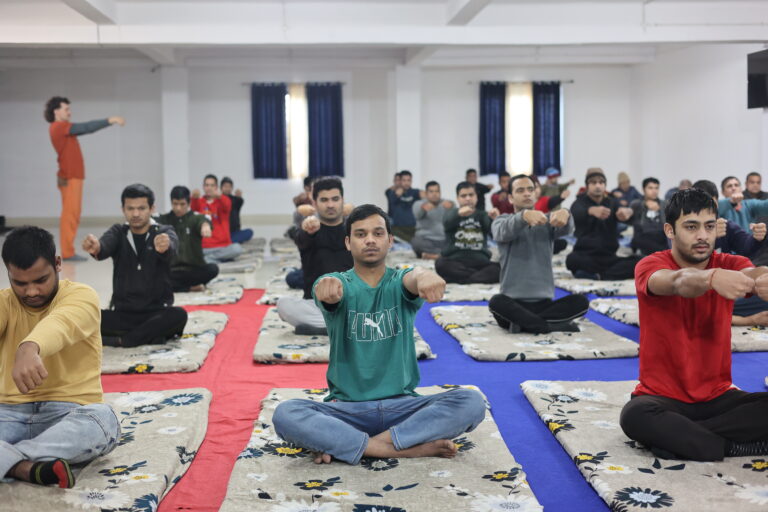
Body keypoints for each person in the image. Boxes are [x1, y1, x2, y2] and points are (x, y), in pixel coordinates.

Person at [272, 204, 486, 465]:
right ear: (348, 243)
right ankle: (400, 447)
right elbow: (326, 288)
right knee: (286, 413)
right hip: (347, 410)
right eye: (361, 234)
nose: (370, 240)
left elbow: (413, 277)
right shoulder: (338, 283)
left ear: (390, 240)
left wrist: (425, 274)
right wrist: (325, 288)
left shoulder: (399, 281)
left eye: (378, 233)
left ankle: (349, 444)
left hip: (403, 409)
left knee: (471, 401)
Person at [619, 188, 768, 462]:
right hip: (661, 399)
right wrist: (711, 278)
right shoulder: (650, 265)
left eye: (709, 226)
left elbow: (753, 272)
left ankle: (683, 440)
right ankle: (728, 446)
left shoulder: (730, 263)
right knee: (634, 416)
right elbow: (678, 282)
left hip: (718, 398)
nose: (702, 236)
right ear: (670, 230)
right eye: (691, 227)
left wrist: (763, 278)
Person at [0, 226, 120, 488]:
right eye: (20, 283)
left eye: (40, 280)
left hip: (69, 413)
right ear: (8, 272)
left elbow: (61, 323)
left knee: (103, 420)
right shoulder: (4, 302)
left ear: (57, 264)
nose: (31, 292)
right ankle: (26, 467)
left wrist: (29, 347)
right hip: (7, 414)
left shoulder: (82, 295)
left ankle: (8, 460)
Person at [82, 184, 188, 348]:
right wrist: (96, 247)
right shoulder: (118, 232)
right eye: (130, 208)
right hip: (123, 314)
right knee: (86, 317)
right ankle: (150, 335)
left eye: (141, 208)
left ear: (152, 209)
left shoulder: (163, 231)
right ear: (123, 209)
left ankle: (123, 340)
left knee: (179, 315)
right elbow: (104, 246)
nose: (136, 214)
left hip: (156, 312)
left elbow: (172, 247)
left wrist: (165, 247)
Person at [489, 174, 589, 334]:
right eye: (520, 190)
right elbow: (503, 232)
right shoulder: (501, 220)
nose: (527, 193)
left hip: (544, 303)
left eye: (530, 189)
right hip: (512, 302)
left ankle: (526, 324)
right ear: (510, 198)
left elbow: (567, 228)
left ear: (536, 194)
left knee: (581, 301)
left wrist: (566, 213)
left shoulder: (547, 221)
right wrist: (523, 216)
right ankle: (549, 326)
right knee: (496, 302)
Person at [44, 96, 125, 262]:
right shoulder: (59, 127)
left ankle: (68, 251)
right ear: (56, 111)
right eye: (66, 109)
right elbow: (86, 127)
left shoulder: (62, 128)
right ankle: (67, 253)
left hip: (72, 177)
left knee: (73, 214)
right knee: (70, 215)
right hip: (70, 177)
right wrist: (110, 120)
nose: (69, 112)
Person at [277, 177, 353, 335]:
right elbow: (300, 234)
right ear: (315, 203)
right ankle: (341, 326)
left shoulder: (354, 229)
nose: (330, 205)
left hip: (350, 302)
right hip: (318, 305)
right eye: (324, 200)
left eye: (335, 199)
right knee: (283, 305)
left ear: (343, 200)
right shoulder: (309, 229)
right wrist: (307, 229)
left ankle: (329, 326)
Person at [566, 169, 640, 280]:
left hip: (609, 256)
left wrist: (629, 213)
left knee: (640, 262)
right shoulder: (579, 203)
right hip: (586, 255)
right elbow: (576, 212)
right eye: (593, 183)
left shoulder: (612, 202)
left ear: (605, 185)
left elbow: (627, 217)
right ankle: (608, 274)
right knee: (571, 260)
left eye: (601, 183)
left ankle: (599, 275)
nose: (598, 186)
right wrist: (590, 210)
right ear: (587, 185)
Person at [156, 186, 219, 293]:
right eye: (175, 204)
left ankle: (177, 287)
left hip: (193, 270)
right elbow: (150, 223)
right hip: (172, 271)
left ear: (189, 203)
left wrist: (205, 226)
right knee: (152, 276)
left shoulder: (195, 218)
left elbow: (204, 221)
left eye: (182, 204)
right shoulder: (164, 219)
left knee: (213, 269)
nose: (178, 208)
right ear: (171, 203)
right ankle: (190, 288)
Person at [435, 182, 500, 284]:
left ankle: (462, 279)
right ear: (457, 198)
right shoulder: (451, 213)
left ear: (476, 197)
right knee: (440, 264)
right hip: (455, 260)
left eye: (471, 195)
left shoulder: (483, 215)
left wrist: (496, 219)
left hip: (480, 261)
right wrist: (458, 214)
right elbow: (446, 223)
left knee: (498, 268)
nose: (468, 198)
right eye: (463, 196)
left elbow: (495, 234)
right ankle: (476, 277)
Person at [191, 174, 243, 263]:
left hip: (223, 246)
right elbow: (194, 208)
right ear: (203, 187)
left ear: (216, 187)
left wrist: (220, 196)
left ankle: (209, 259)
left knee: (237, 249)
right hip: (204, 247)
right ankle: (220, 259)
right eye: (207, 185)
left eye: (212, 185)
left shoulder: (224, 200)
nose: (209, 188)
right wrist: (194, 198)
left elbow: (227, 206)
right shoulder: (199, 202)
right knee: (190, 252)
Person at [411, 181, 453, 259]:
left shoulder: (446, 203)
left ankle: (434, 256)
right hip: (426, 240)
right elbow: (417, 214)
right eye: (431, 191)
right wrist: (423, 208)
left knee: (457, 242)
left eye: (437, 191)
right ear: (426, 193)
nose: (434, 194)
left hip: (444, 239)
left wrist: (452, 206)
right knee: (416, 242)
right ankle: (443, 255)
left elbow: (456, 212)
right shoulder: (419, 204)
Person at [628, 177, 667, 256]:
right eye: (650, 188)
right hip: (643, 237)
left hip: (660, 236)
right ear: (643, 189)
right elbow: (629, 217)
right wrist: (644, 204)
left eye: (656, 188)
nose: (654, 191)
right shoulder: (636, 204)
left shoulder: (664, 204)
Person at [385, 170, 421, 242]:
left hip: (412, 227)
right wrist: (397, 193)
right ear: (400, 181)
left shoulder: (414, 192)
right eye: (404, 180)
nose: (406, 183)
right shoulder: (391, 193)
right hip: (397, 228)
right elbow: (389, 193)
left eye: (408, 180)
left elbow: (425, 194)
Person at [220, 177, 253, 244]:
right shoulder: (218, 200)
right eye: (225, 186)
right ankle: (229, 241)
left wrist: (239, 197)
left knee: (249, 232)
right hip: (222, 232)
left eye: (229, 186)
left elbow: (240, 201)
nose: (227, 188)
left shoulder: (235, 199)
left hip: (234, 232)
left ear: (232, 188)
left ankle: (227, 242)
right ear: (221, 188)